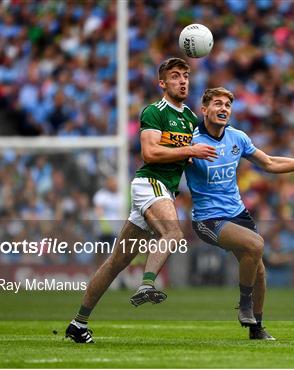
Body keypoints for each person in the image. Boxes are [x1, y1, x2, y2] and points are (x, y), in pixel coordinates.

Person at [65, 57, 217, 343]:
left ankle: (78, 323)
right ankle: (147, 284)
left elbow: (194, 154)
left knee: (116, 262)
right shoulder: (154, 111)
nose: (183, 80)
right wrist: (191, 151)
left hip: (163, 191)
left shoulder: (189, 119)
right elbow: (150, 153)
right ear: (162, 83)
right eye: (175, 76)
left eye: (185, 75)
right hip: (149, 183)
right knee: (173, 232)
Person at [187, 87, 294, 339]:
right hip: (207, 219)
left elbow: (268, 163)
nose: (223, 109)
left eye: (227, 105)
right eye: (217, 104)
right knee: (256, 244)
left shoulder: (237, 138)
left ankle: (256, 329)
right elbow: (164, 160)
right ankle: (244, 304)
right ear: (204, 110)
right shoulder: (191, 141)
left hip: (238, 213)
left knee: (260, 271)